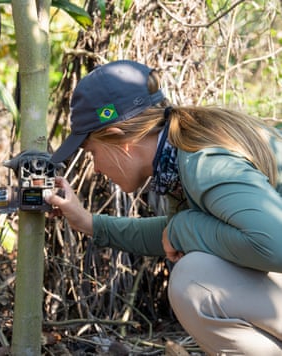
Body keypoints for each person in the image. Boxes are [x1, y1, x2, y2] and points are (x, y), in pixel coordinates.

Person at [45, 60, 282, 355]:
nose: (97, 168)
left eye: (92, 152)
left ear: (121, 140)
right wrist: (87, 222)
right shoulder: (178, 155)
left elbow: (274, 245)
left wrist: (182, 228)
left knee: (194, 281)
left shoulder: (204, 162)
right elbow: (190, 231)